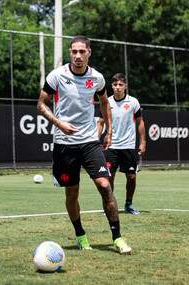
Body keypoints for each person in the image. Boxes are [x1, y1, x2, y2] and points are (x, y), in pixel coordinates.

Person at [37, 35, 131, 254]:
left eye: (82, 51)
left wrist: (109, 130)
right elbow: (41, 105)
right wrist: (59, 123)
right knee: (72, 194)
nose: (78, 56)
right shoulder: (57, 76)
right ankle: (80, 235)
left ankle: (117, 238)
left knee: (105, 186)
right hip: (64, 145)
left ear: (89, 52)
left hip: (89, 142)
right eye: (74, 52)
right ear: (70, 53)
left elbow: (104, 102)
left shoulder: (97, 78)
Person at [97, 73, 146, 215]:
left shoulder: (133, 102)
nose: (118, 87)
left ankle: (128, 204)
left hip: (129, 146)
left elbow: (140, 122)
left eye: (120, 85)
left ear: (125, 86)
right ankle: (109, 204)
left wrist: (143, 142)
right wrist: (96, 139)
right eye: (115, 85)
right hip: (111, 147)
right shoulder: (106, 102)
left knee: (131, 177)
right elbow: (100, 123)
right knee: (108, 178)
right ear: (111, 86)